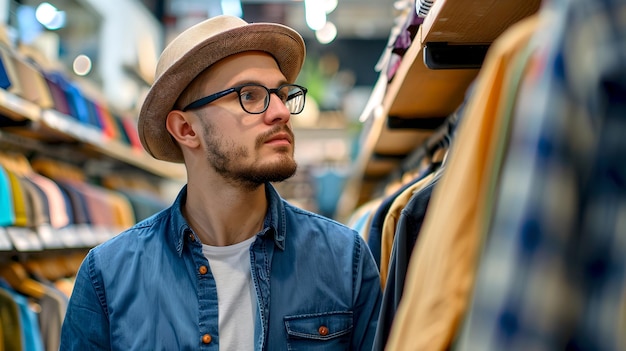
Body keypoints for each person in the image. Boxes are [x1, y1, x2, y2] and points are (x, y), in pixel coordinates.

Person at [60, 15, 382, 350]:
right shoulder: (109, 277)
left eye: (282, 94)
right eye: (250, 95)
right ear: (186, 130)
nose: (281, 112)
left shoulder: (344, 259)